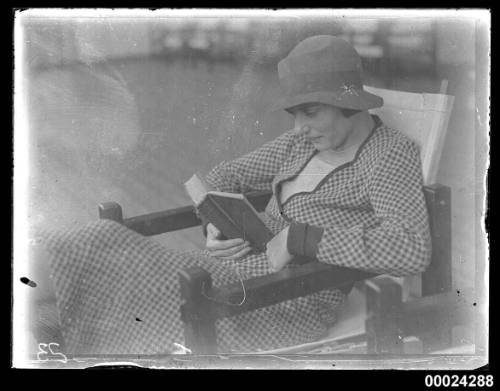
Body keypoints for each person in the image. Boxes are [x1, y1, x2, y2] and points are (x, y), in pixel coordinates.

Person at [32, 35, 431, 355]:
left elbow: (411, 247)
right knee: (97, 245)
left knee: (98, 254)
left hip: (281, 299)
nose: (297, 128)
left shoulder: (388, 155)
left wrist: (298, 237)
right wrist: (215, 225)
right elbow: (227, 174)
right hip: (231, 275)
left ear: (347, 105)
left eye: (309, 112)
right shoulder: (306, 143)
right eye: (294, 115)